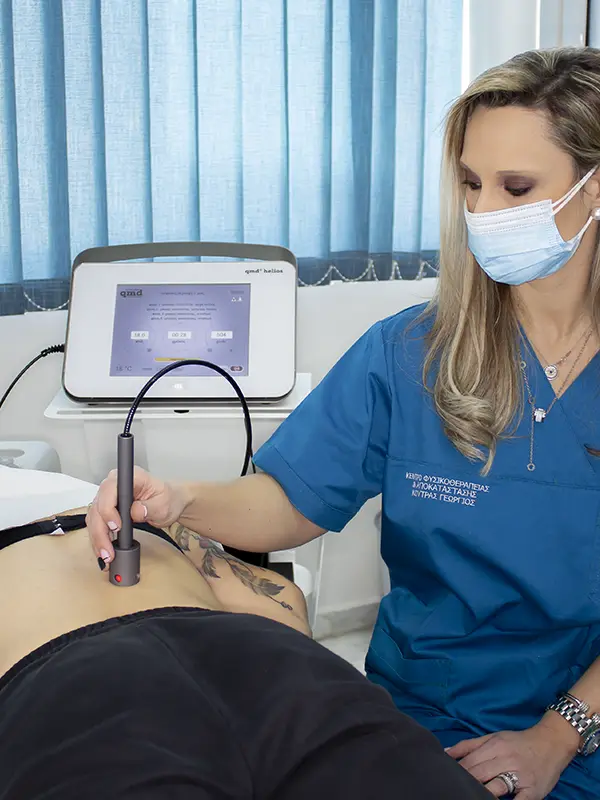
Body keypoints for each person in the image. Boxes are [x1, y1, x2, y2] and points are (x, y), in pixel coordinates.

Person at [88, 46, 600, 799]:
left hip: (582, 727)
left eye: (516, 187)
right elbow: (294, 501)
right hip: (421, 715)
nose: (482, 213)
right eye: (469, 183)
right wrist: (180, 499)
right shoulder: (410, 352)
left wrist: (558, 736)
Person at [0, 505, 489, 799]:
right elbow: (281, 599)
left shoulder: (148, 524)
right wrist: (286, 679)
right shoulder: (163, 532)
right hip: (254, 654)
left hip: (72, 683)